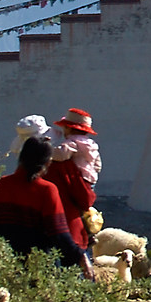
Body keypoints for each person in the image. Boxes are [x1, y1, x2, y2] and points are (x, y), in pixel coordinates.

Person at [0, 137, 90, 266]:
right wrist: (80, 256)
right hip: (37, 264)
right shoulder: (46, 190)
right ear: (46, 162)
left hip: (5, 261)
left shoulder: (4, 184)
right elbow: (58, 233)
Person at [42, 107, 99, 252]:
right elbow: (98, 164)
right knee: (83, 211)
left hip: (77, 180)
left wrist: (47, 150)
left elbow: (61, 155)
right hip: (90, 181)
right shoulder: (91, 144)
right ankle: (89, 233)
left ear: (69, 128)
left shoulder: (72, 142)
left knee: (74, 209)